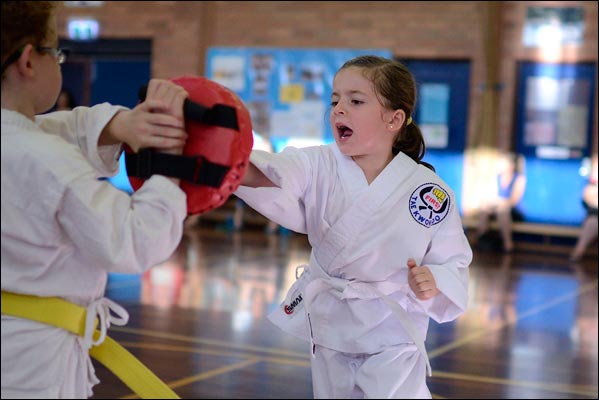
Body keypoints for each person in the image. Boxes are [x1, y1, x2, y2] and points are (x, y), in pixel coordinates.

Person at [235, 55, 472, 398]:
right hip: (332, 327)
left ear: (394, 119)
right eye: (335, 101)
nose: (339, 110)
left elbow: (453, 260)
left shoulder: (427, 192)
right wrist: (215, 159)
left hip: (393, 332)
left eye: (355, 101)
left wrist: (433, 281)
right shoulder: (318, 163)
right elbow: (270, 173)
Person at [1, 1, 189, 398]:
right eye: (57, 52)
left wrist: (120, 124)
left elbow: (42, 131)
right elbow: (134, 241)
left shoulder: (29, 145)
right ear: (29, 61)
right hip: (31, 369)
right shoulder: (47, 160)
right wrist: (169, 164)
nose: (60, 62)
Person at [476, 152, 526, 253]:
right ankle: (482, 239)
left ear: (512, 165)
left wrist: (501, 203)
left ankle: (508, 244)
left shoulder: (519, 179)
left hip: (513, 211)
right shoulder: (497, 177)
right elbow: (491, 196)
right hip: (498, 208)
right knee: (484, 209)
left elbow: (514, 201)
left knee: (502, 211)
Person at [570, 156, 598, 262]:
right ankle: (578, 252)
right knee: (592, 223)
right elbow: (587, 202)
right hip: (593, 217)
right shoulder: (589, 187)